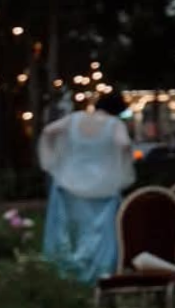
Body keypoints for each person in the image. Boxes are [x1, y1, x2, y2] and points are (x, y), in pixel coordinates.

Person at [37, 89, 134, 282]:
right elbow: (123, 144)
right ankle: (96, 275)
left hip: (68, 183)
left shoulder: (74, 119)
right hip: (102, 189)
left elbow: (48, 131)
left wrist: (53, 160)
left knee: (69, 232)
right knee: (98, 234)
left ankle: (66, 275)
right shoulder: (114, 124)